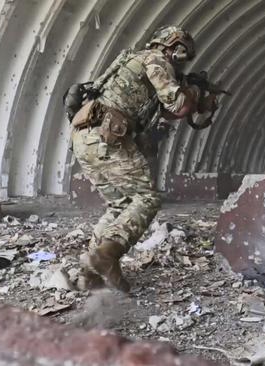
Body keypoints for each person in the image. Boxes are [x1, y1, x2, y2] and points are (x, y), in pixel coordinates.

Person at [69, 25, 218, 292]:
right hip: (108, 134)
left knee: (119, 205)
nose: (184, 61)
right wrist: (194, 93)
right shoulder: (156, 60)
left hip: (86, 136)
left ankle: (88, 274)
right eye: (184, 54)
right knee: (147, 199)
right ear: (174, 48)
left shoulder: (135, 62)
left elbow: (170, 112)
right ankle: (107, 256)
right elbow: (179, 105)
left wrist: (199, 104)